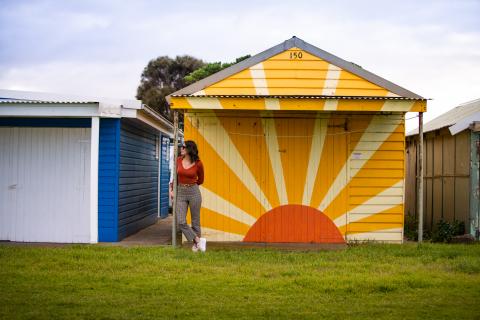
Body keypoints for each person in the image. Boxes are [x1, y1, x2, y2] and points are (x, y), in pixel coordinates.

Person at [169, 140, 206, 252]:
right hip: (180, 192)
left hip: (194, 191)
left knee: (195, 220)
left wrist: (191, 185)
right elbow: (173, 177)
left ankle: (196, 246)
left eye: (183, 147)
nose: (181, 149)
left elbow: (201, 180)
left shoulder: (198, 163)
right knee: (180, 221)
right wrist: (171, 189)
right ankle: (198, 240)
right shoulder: (178, 161)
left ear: (190, 149)